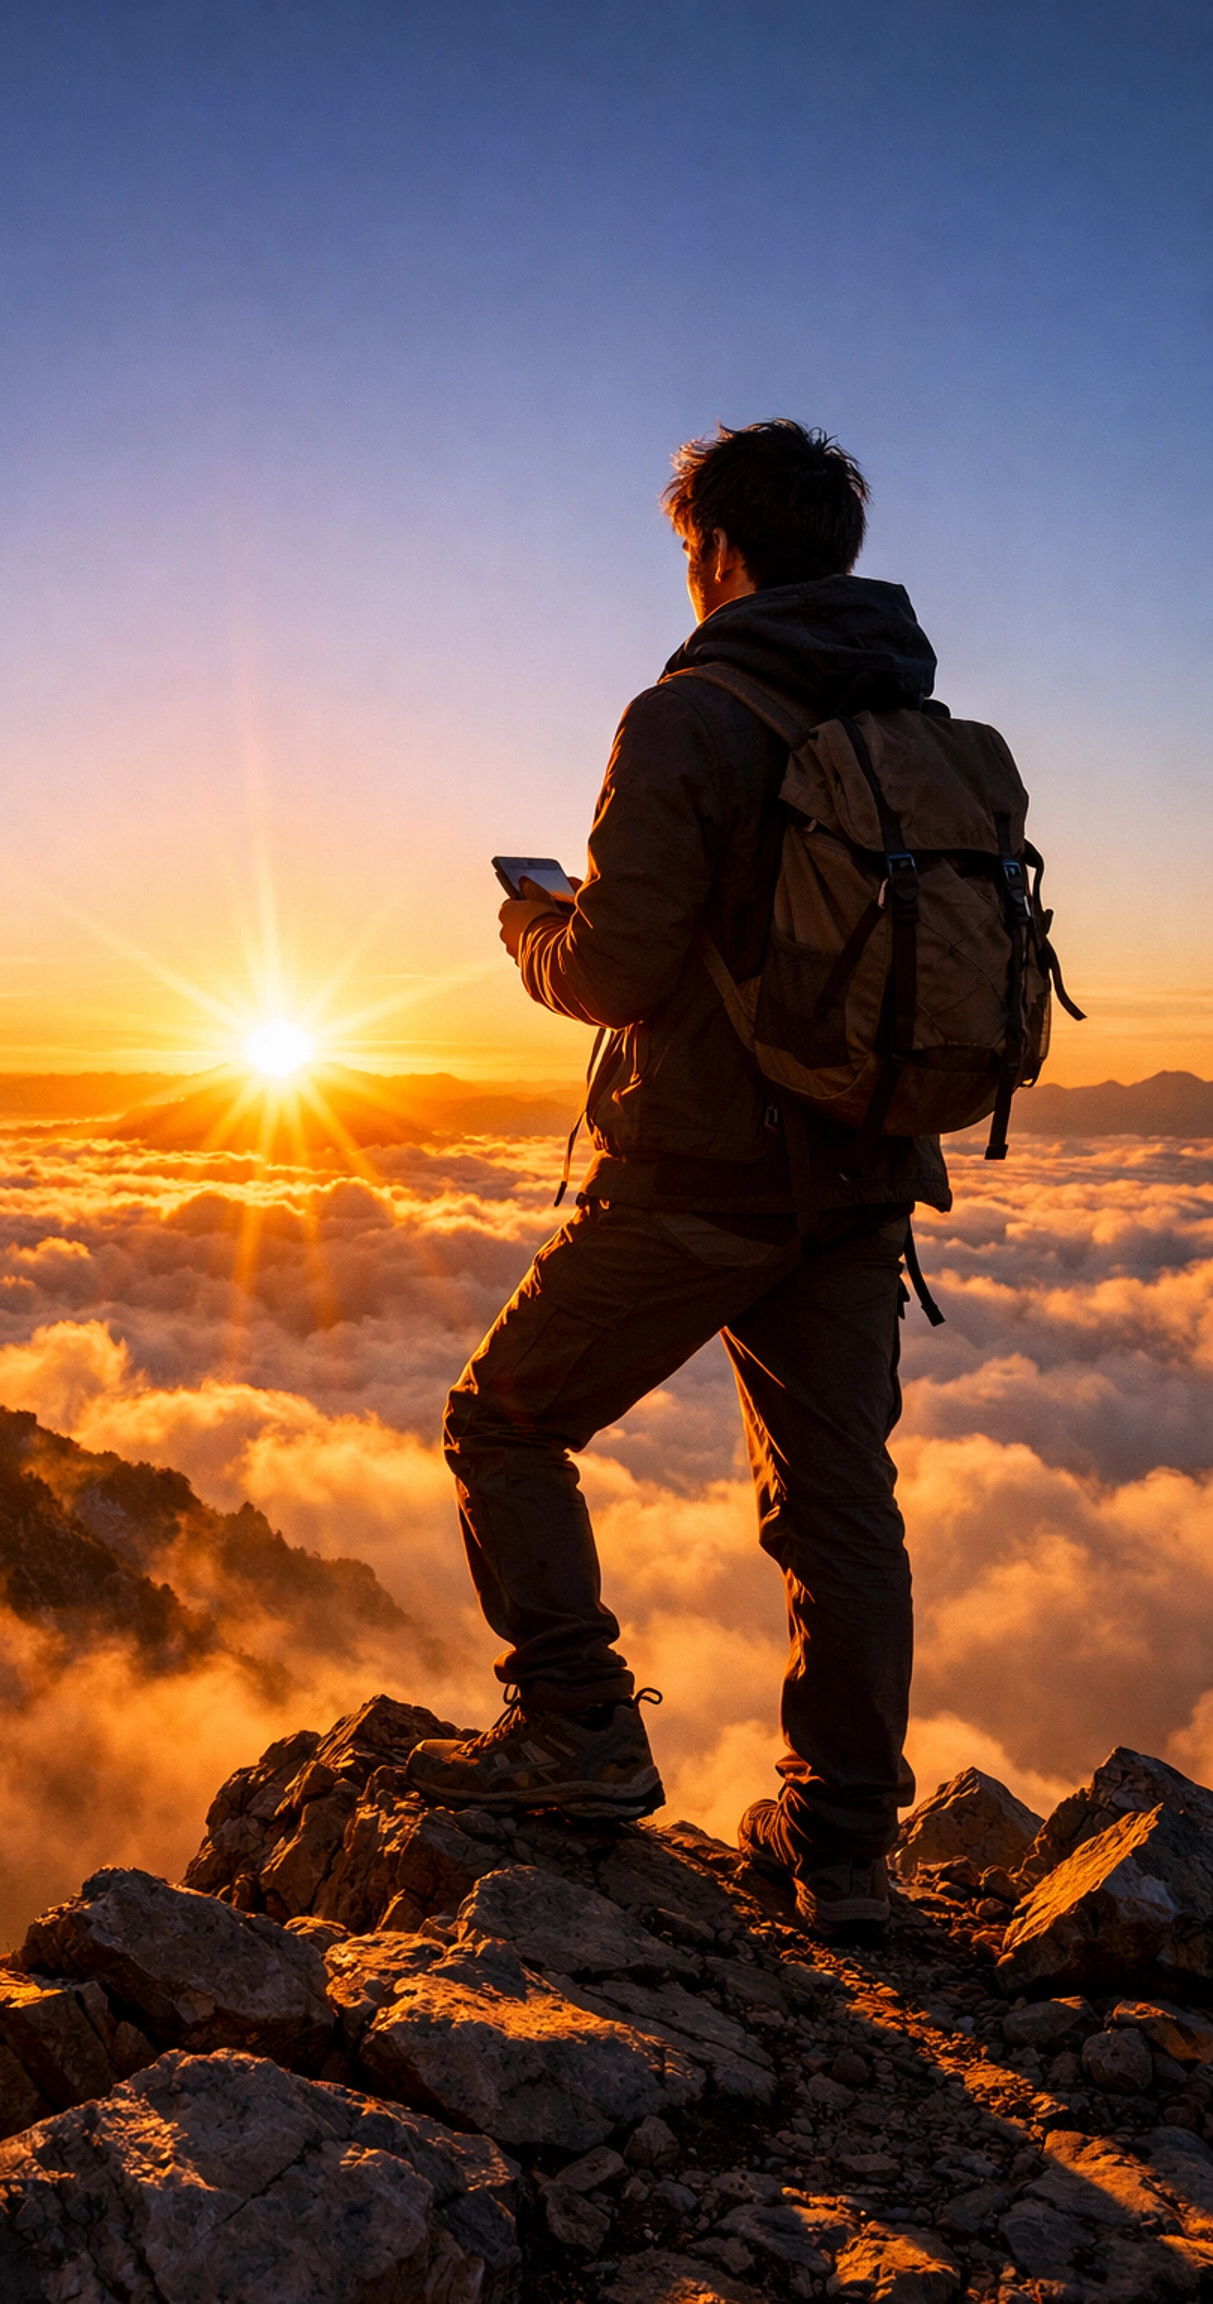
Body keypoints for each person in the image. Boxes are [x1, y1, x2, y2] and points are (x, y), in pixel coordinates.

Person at [406, 419, 952, 1938]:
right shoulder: (905, 713)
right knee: (842, 1505)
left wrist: (536, 931)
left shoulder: (690, 716)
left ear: (713, 550)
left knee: (501, 1420)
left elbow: (621, 966)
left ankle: (575, 1724)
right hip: (861, 1175)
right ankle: (842, 1852)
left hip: (705, 1173)